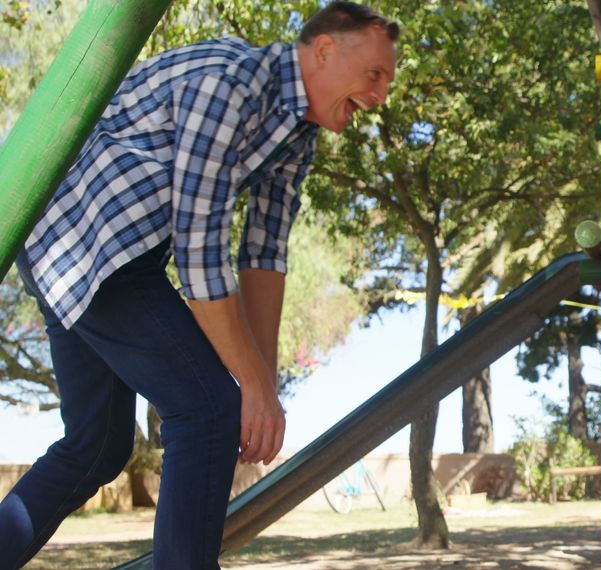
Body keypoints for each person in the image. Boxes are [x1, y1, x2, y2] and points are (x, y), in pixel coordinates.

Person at [0, 3, 398, 568]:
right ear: (325, 50)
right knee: (209, 408)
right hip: (91, 240)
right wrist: (247, 388)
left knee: (97, 446)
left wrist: (266, 385)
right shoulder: (231, 80)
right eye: (375, 74)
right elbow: (199, 246)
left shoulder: (297, 134)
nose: (381, 94)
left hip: (96, 254)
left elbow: (263, 255)